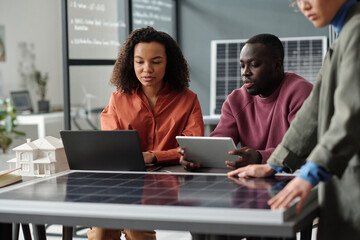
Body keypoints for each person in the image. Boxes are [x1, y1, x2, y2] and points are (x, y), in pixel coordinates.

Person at [229, 0, 360, 239]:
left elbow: (352, 115)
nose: (304, 6)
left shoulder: (357, 31)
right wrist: (274, 163)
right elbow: (314, 111)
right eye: (297, 0)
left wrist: (310, 172)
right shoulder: (347, 32)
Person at [87, 26, 204, 240]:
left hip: (170, 182)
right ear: (130, 63)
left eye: (156, 62)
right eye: (139, 62)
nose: (147, 69)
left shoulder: (188, 99)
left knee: (135, 227)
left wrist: (154, 156)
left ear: (169, 63)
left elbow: (194, 146)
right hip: (125, 180)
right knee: (102, 231)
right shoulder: (117, 99)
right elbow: (112, 147)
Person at [180, 34, 313, 172]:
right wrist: (199, 156)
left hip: (295, 179)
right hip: (252, 180)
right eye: (242, 66)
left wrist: (260, 157)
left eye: (254, 65)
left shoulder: (301, 92)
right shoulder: (235, 100)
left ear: (277, 66)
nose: (246, 72)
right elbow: (219, 142)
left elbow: (304, 147)